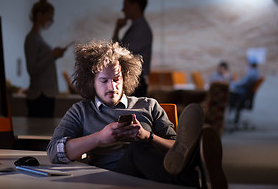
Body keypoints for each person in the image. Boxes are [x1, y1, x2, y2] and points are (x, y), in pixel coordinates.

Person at [47, 40, 227, 188]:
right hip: (112, 178)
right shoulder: (81, 111)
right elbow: (54, 151)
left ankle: (195, 160)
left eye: (117, 79)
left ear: (125, 77)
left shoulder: (149, 105)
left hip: (153, 176)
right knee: (137, 149)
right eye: (104, 81)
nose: (112, 87)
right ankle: (198, 175)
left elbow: (175, 146)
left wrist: (147, 136)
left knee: (155, 147)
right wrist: (100, 138)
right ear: (91, 82)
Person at [24, 0, 67, 117]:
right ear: (39, 15)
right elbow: (32, 69)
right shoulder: (32, 39)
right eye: (50, 17)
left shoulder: (37, 38)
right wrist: (52, 55)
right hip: (40, 95)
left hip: (44, 94)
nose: (52, 21)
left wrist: (54, 55)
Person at [112, 0, 152, 97]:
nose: (123, 9)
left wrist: (116, 30)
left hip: (136, 81)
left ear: (135, 5)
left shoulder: (141, 29)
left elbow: (119, 53)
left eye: (125, 5)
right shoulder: (137, 28)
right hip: (135, 80)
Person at [228, 57, 260, 125]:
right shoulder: (255, 72)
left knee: (229, 95)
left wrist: (233, 84)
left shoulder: (252, 73)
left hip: (243, 94)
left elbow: (243, 83)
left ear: (250, 63)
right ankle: (234, 119)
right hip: (245, 93)